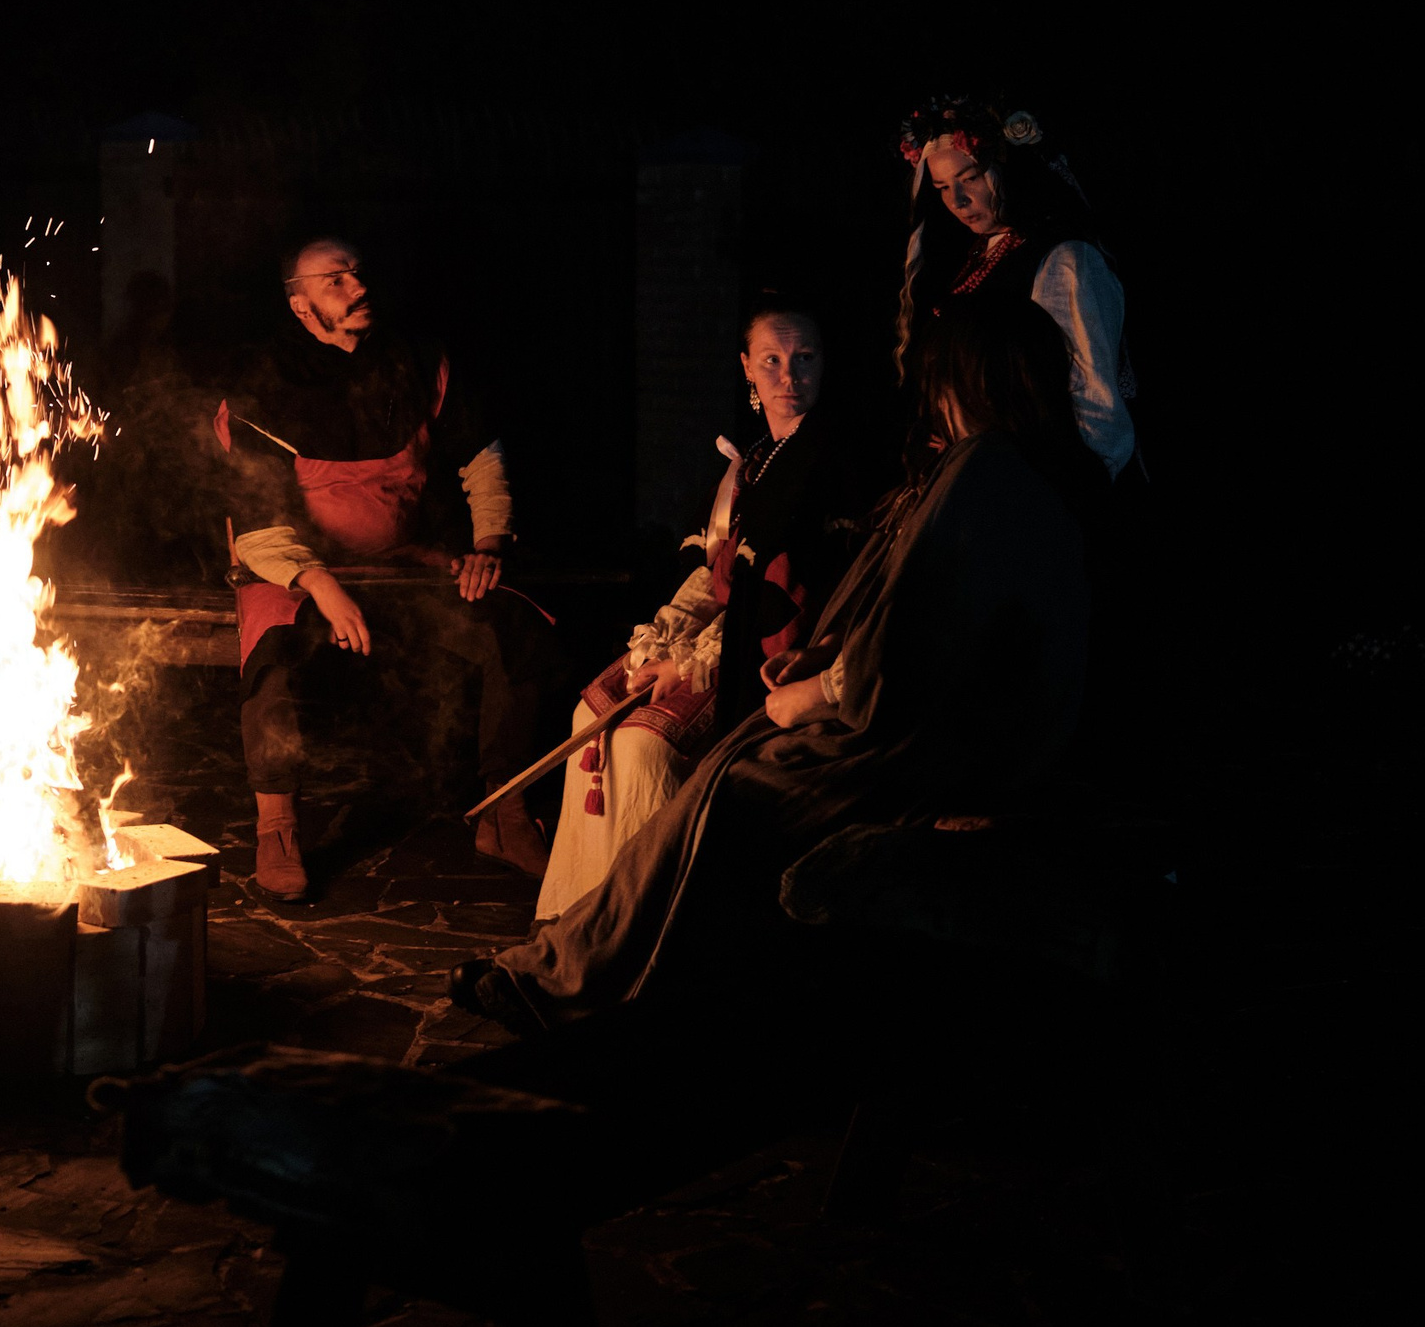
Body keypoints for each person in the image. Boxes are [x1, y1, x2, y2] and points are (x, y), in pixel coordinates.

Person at [451, 296, 1102, 1029]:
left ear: (971, 380)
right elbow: (907, 608)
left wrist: (817, 692)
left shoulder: (983, 471)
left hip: (946, 745)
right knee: (688, 750)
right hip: (926, 717)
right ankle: (577, 951)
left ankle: (602, 983)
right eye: (771, 360)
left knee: (733, 787)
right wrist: (822, 651)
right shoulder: (1015, 469)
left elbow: (914, 645)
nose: (931, 402)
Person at [217, 237, 557, 900]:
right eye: (335, 281)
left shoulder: (416, 362)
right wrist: (320, 584)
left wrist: (489, 544)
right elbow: (255, 519)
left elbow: (481, 454)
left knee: (513, 626)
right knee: (272, 653)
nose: (357, 287)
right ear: (300, 304)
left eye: (358, 274)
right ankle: (277, 828)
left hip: (399, 563)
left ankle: (506, 812)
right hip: (291, 567)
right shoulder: (263, 384)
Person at [534, 298, 877, 920]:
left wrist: (696, 664)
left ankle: (642, 918)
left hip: (771, 652)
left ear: (825, 365)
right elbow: (709, 574)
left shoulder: (831, 461)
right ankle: (578, 911)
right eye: (771, 359)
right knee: (591, 708)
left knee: (642, 746)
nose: (788, 375)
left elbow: (790, 596)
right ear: (746, 367)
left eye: (804, 358)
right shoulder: (750, 460)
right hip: (719, 632)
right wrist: (661, 644)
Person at [897, 95, 1139, 481]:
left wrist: (1060, 493)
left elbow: (1096, 408)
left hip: (1045, 488)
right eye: (942, 187)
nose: (957, 201)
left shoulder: (1065, 261)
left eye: (970, 178)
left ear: (1006, 169)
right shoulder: (980, 255)